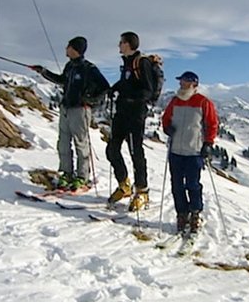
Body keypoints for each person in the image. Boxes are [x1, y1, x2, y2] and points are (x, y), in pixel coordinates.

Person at [31, 36, 109, 191]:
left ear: (75, 49)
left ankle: (82, 177)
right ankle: (66, 173)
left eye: (68, 46)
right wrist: (43, 72)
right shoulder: (70, 66)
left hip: (80, 110)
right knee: (63, 143)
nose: (66, 48)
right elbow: (62, 80)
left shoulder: (89, 68)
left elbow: (104, 87)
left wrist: (89, 99)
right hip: (66, 108)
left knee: (81, 143)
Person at [161, 71, 218, 234]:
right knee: (177, 185)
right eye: (181, 81)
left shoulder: (203, 102)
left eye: (184, 82)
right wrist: (167, 128)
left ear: (194, 84)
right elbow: (166, 118)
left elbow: (212, 124)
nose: (181, 84)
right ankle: (182, 214)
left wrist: (208, 143)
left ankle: (195, 213)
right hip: (176, 150)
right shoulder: (175, 101)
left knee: (193, 184)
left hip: (194, 151)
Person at [106, 31, 156, 210]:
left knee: (136, 152)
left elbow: (148, 90)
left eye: (121, 42)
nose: (119, 45)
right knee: (112, 149)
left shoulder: (141, 62)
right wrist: (115, 89)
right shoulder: (127, 64)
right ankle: (124, 185)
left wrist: (131, 98)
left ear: (128, 44)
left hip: (135, 114)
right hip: (122, 113)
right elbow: (127, 83)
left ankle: (142, 191)